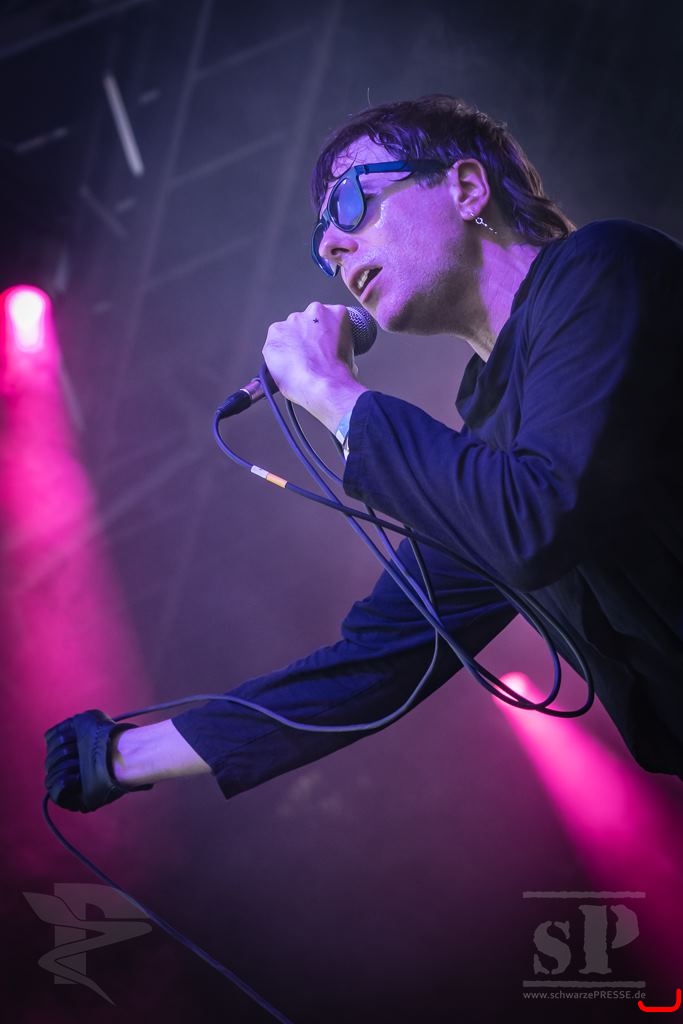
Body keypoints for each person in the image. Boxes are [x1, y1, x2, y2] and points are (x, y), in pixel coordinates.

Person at [45, 95, 683, 814]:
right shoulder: (491, 448)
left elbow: (537, 518)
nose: (331, 248)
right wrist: (117, 757)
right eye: (319, 241)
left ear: (466, 187)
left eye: (350, 203)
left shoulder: (607, 269)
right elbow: (379, 660)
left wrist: (331, 391)